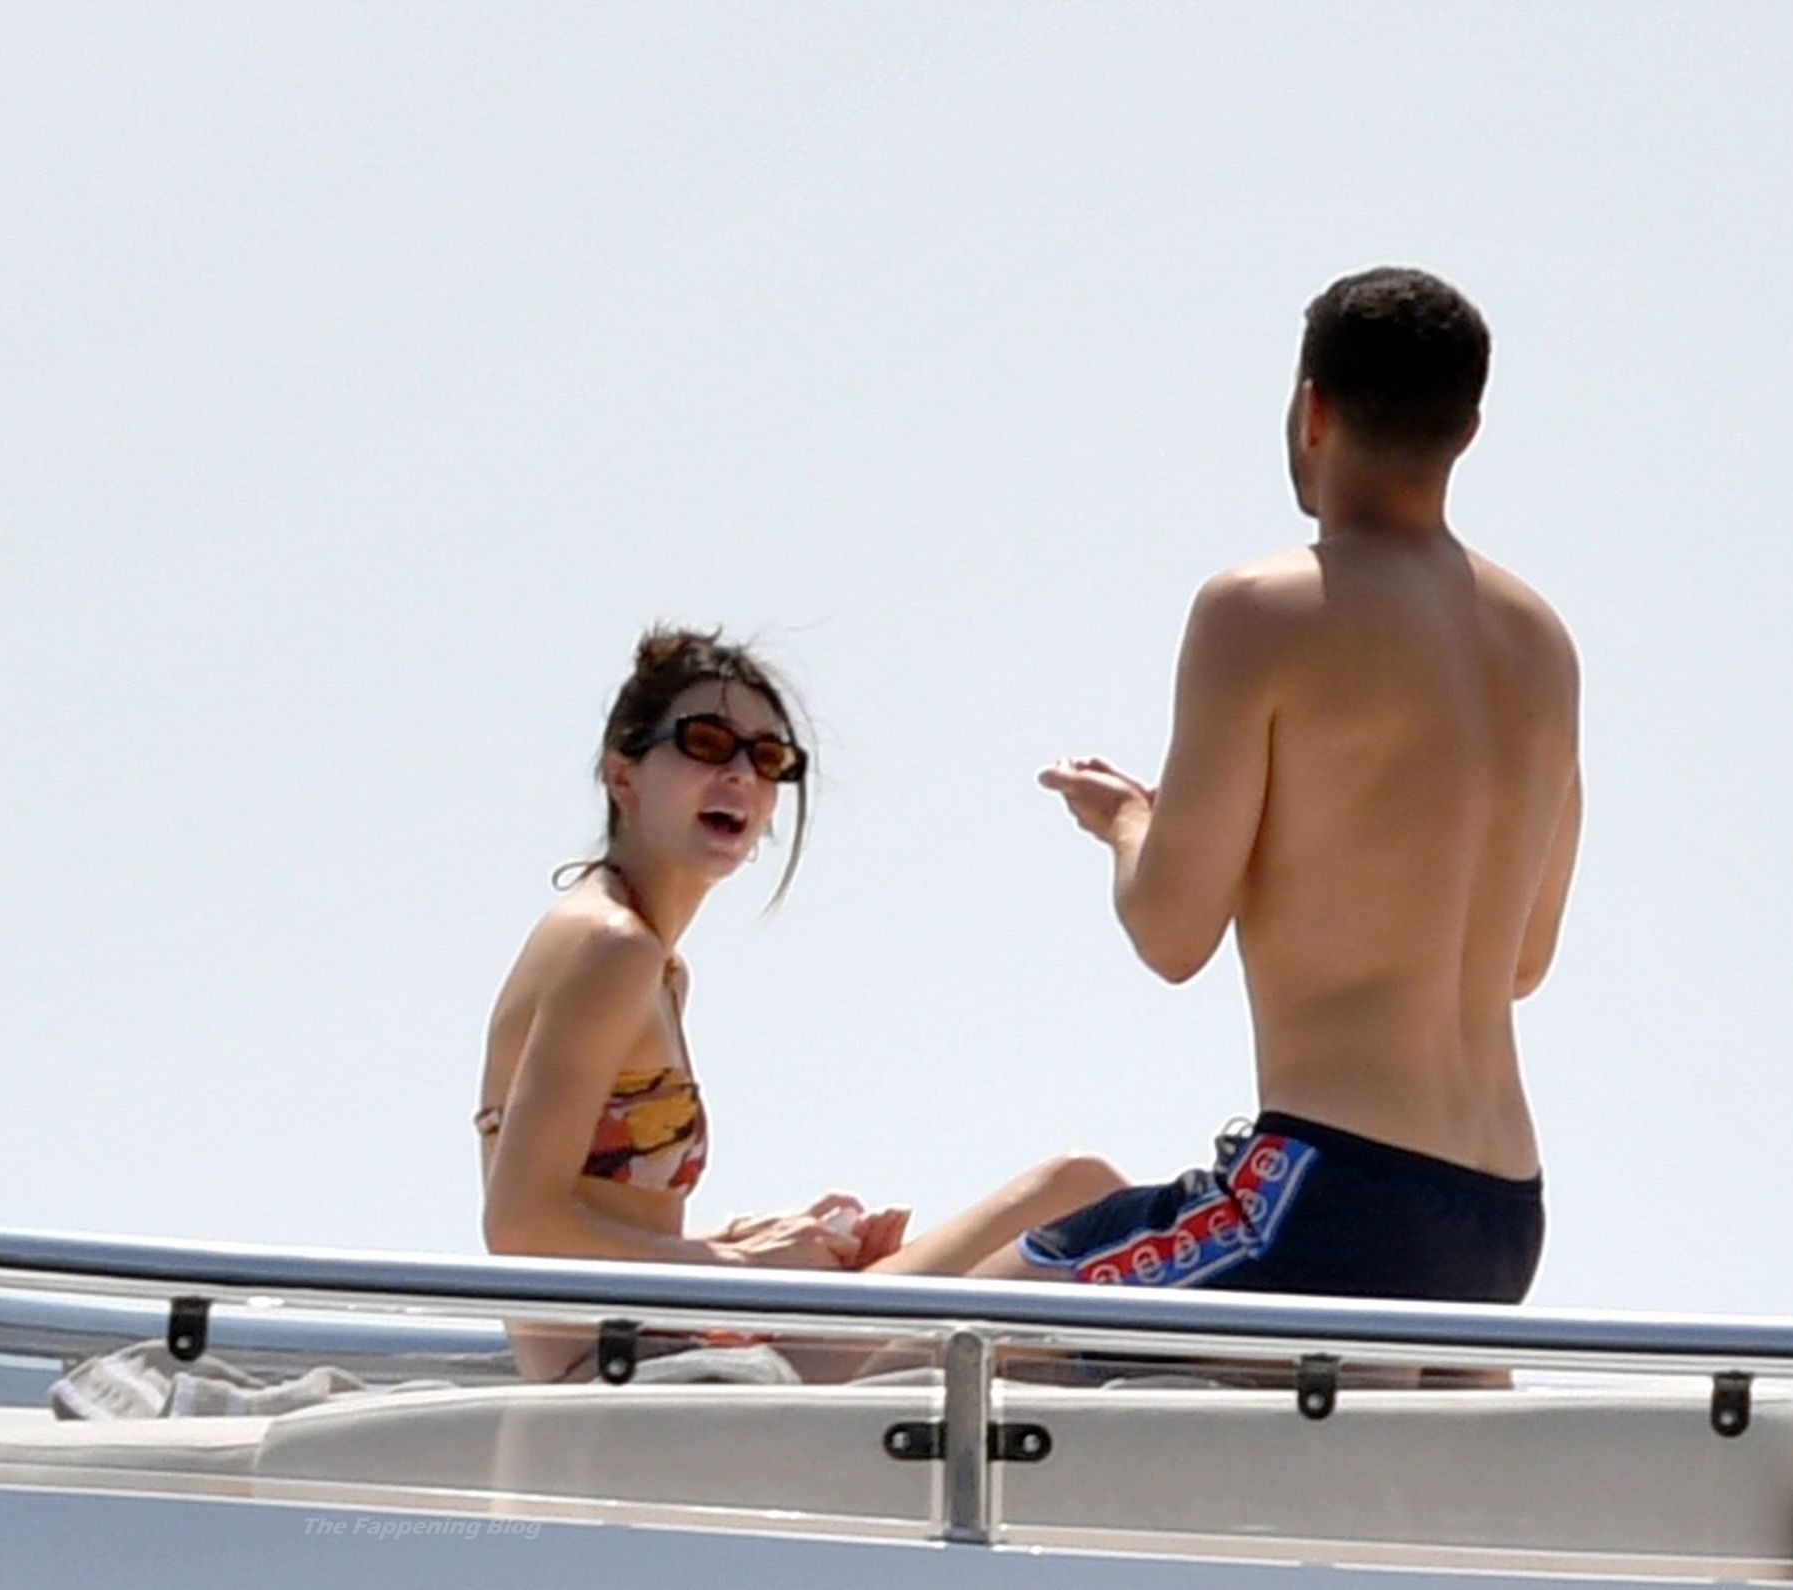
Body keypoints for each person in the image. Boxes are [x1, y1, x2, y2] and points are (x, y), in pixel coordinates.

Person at [890, 267, 1581, 1304]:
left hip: (1329, 1195)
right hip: (1500, 1219)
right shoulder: (1541, 644)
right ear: (1468, 432)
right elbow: (1524, 959)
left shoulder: (1261, 610)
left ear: (1312, 410)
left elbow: (1173, 933)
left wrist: (1130, 823)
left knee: (946, 1350)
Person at [476, 628, 912, 1380]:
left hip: (656, 1354)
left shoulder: (652, 963)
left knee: (1068, 1193)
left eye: (768, 758)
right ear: (622, 775)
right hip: (627, 1376)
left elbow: (597, 1215)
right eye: (706, 743)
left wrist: (749, 1240)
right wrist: (741, 1266)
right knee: (1069, 1205)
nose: (741, 773)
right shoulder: (610, 947)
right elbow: (521, 1226)